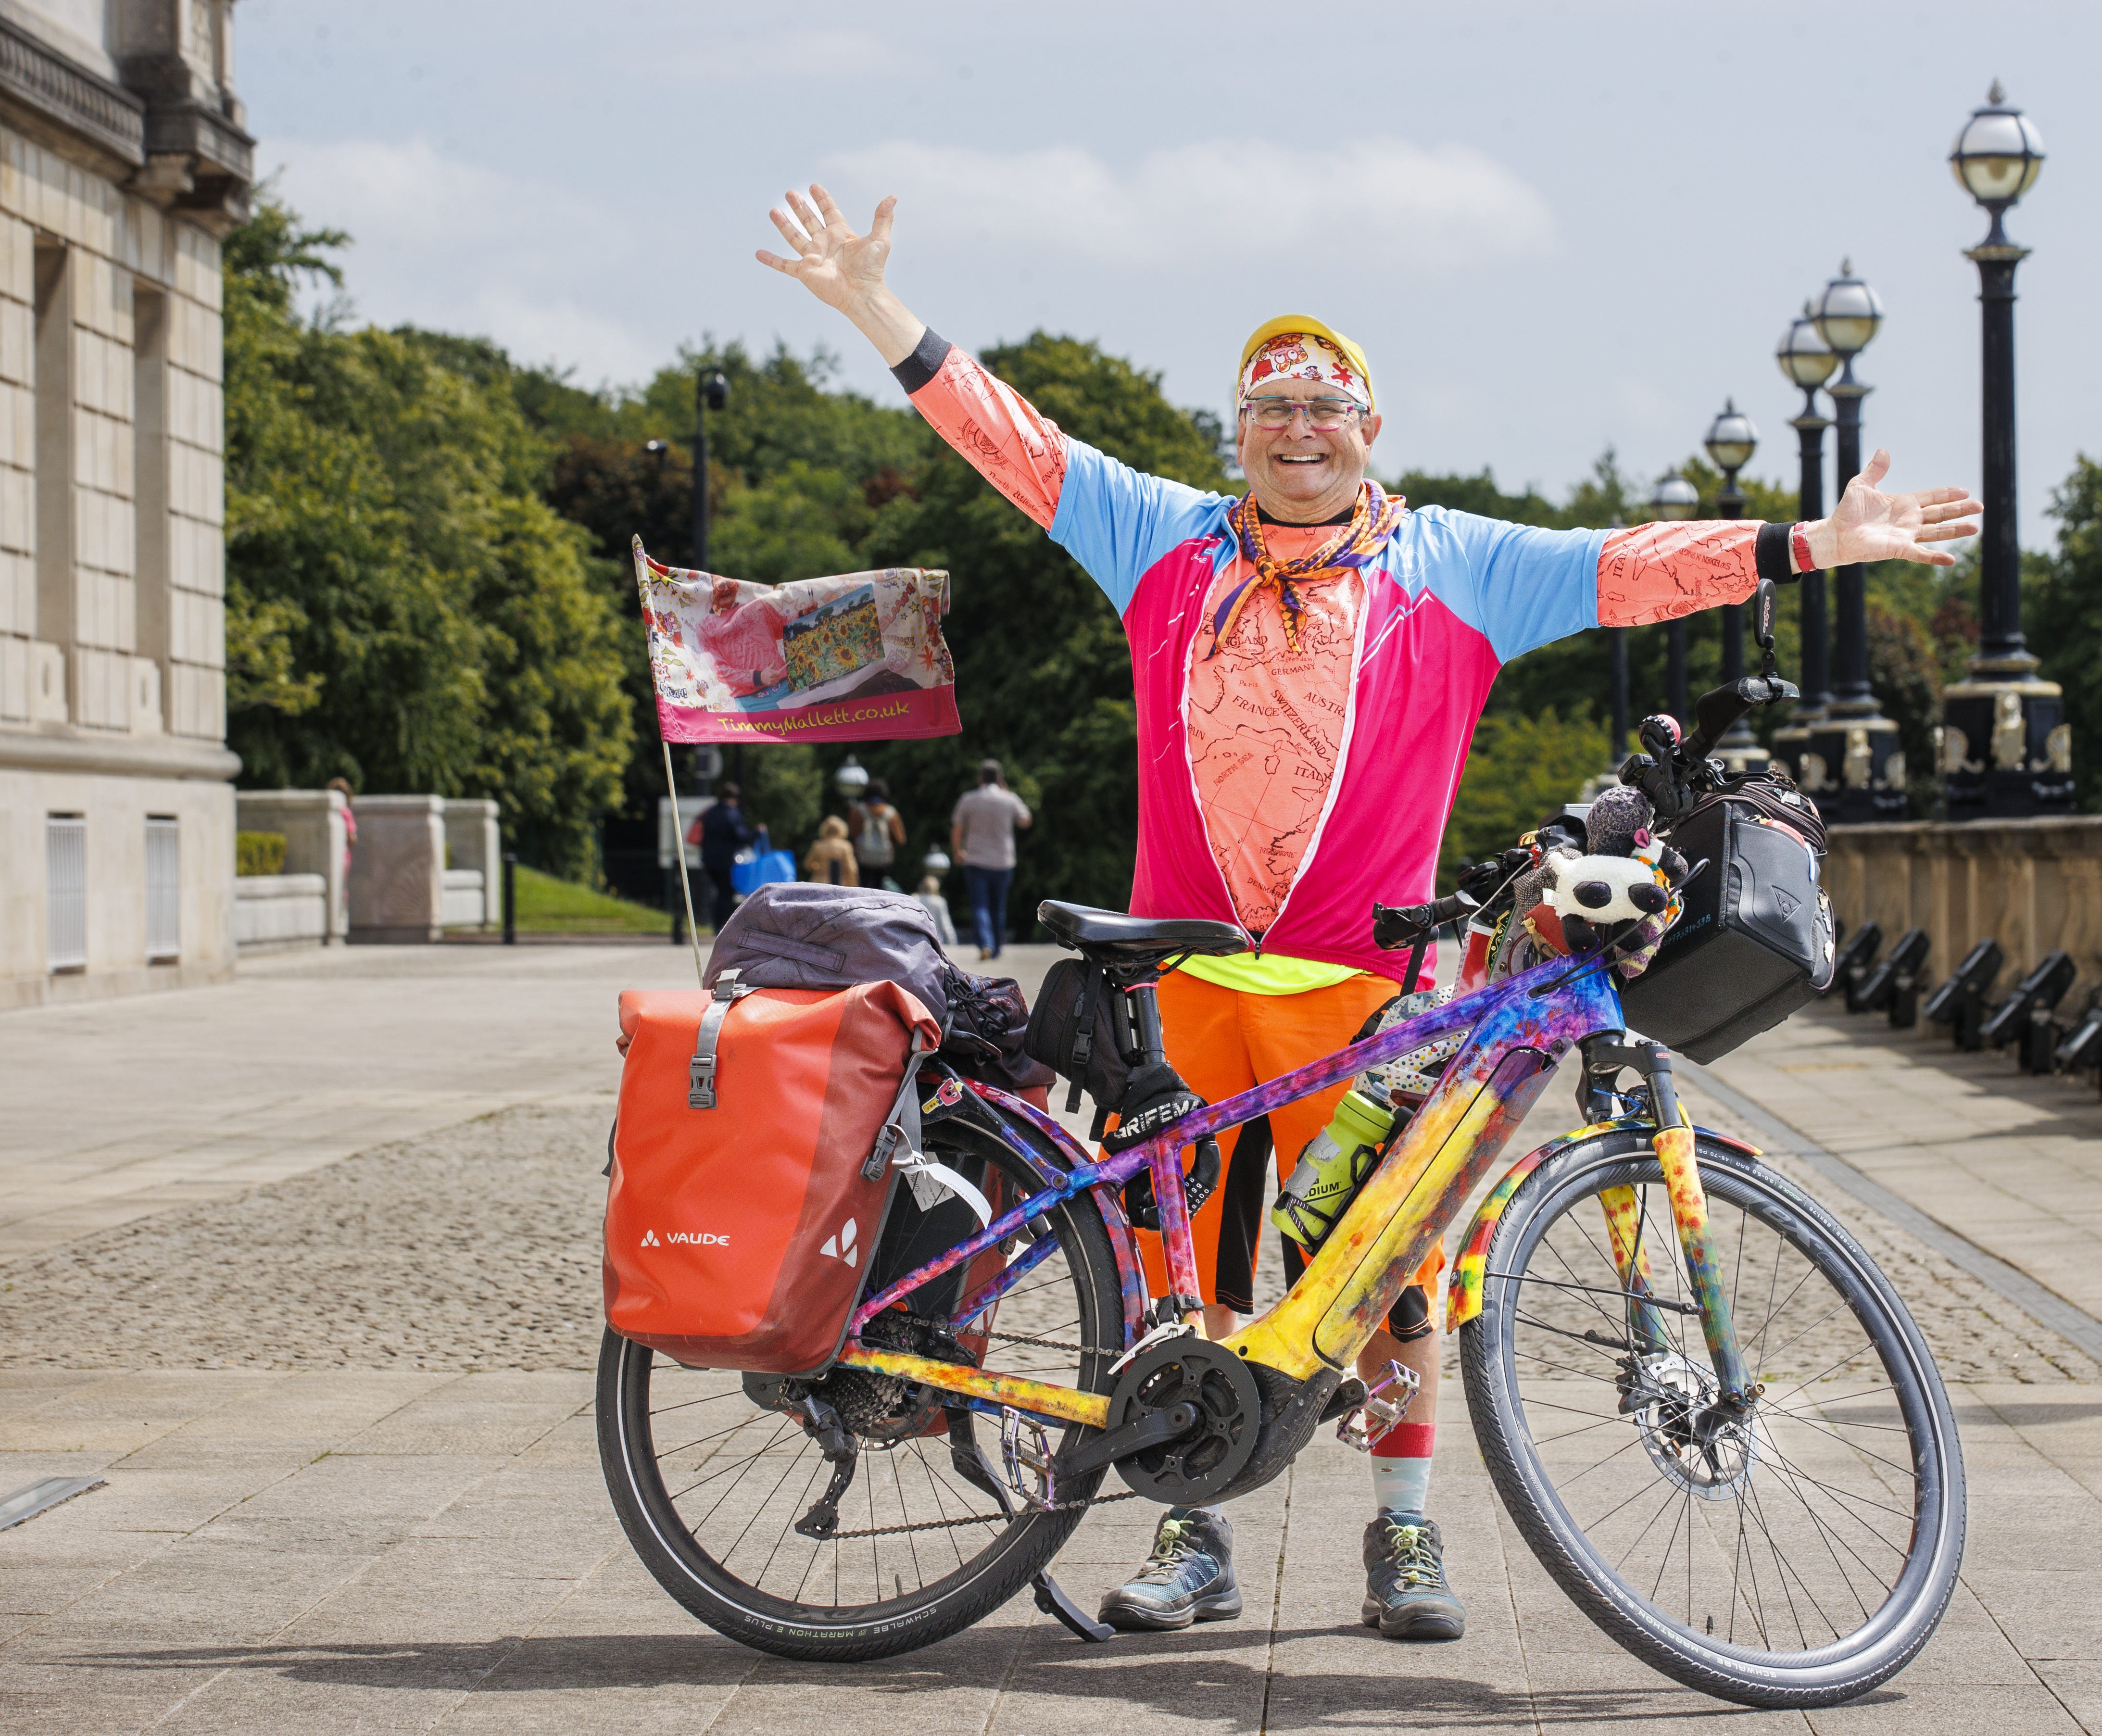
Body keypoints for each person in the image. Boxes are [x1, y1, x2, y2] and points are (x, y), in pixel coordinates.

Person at [757, 184, 1980, 1643]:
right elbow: (1011, 442)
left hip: (1367, 993)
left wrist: (1808, 546)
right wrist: (872, 309)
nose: (1296, 427)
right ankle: (1187, 1528)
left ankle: (1402, 1533)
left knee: (1393, 1271)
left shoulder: (1451, 562)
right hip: (1192, 985)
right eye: (1268, 404)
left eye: (1324, 405)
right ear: (1239, 432)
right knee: (1187, 1273)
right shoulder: (1160, 538)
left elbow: (1628, 565)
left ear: (1369, 431)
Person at [950, 760, 1031, 960]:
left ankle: (985, 943)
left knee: (980, 905)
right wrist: (1008, 792)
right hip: (1003, 861)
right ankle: (997, 947)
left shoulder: (969, 799)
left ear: (980, 778)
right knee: (998, 905)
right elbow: (1025, 820)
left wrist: (958, 850)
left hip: (976, 860)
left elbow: (957, 828)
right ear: (1000, 779)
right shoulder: (1009, 798)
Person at [697, 781, 754, 935]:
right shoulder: (731, 813)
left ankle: (715, 923)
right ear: (733, 798)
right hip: (724, 860)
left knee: (719, 891)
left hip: (708, 859)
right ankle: (721, 925)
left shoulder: (712, 811)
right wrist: (755, 833)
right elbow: (740, 835)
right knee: (726, 892)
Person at [847, 778, 906, 889]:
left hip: (863, 859)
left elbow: (852, 835)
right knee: (882, 889)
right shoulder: (891, 813)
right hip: (884, 860)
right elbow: (900, 840)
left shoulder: (858, 811)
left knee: (864, 888)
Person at [802, 816, 859, 886]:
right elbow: (851, 868)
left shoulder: (818, 846)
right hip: (840, 882)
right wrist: (854, 885)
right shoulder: (845, 847)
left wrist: (817, 867)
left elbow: (807, 865)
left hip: (820, 882)